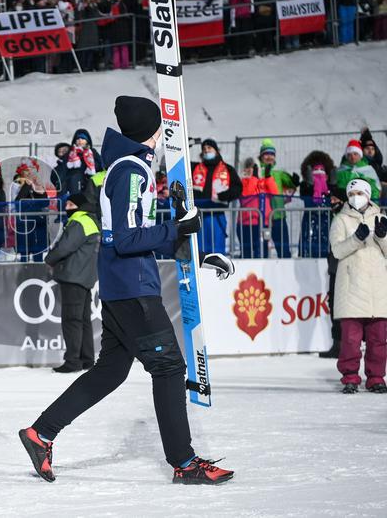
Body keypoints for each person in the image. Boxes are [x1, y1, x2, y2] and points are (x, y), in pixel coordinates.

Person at [20, 96, 235, 485]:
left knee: (110, 372)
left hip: (123, 284)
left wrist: (192, 249)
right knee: (169, 367)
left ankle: (42, 433)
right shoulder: (133, 170)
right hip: (133, 288)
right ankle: (184, 463)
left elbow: (135, 233)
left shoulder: (125, 166)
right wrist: (177, 230)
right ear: (153, 130)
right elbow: (127, 237)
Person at [329, 179, 387, 394]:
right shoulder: (340, 220)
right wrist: (356, 239)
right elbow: (337, 251)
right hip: (351, 288)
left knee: (378, 340)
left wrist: (382, 237)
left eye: (359, 192)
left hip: (377, 289)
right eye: (352, 192)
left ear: (368, 194)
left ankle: (376, 378)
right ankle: (350, 377)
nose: (356, 196)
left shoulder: (381, 218)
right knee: (351, 341)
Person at [44, 182, 99, 373]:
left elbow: (65, 247)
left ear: (78, 206)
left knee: (72, 321)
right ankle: (86, 359)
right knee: (83, 320)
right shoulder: (90, 220)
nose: (66, 208)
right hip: (85, 276)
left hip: (73, 276)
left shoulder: (79, 221)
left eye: (69, 205)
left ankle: (73, 361)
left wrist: (49, 258)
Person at [191, 139, 242, 255]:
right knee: (198, 249)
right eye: (204, 149)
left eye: (209, 148)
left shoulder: (228, 169)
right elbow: (181, 166)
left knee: (216, 249)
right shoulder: (194, 167)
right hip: (197, 213)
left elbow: (238, 188)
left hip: (216, 213)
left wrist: (226, 195)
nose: (206, 151)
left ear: (216, 151)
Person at [258, 139, 299, 258]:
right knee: (262, 251)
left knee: (283, 249)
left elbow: (291, 185)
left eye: (271, 154)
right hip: (261, 217)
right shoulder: (257, 172)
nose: (269, 157)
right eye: (266, 154)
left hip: (278, 216)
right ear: (261, 156)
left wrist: (294, 181)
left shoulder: (279, 174)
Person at [237, 158, 277, 259]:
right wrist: (253, 178)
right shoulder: (243, 182)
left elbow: (274, 193)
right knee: (247, 251)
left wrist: (268, 177)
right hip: (246, 223)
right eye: (249, 167)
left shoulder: (264, 182)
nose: (251, 169)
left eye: (254, 167)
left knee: (263, 250)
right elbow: (247, 194)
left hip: (263, 223)